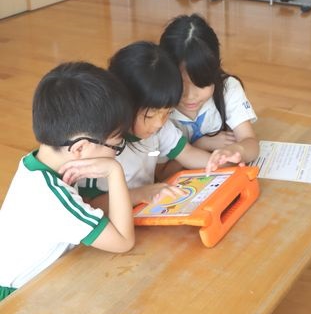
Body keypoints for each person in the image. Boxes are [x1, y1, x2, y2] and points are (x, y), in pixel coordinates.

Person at [0, 62, 136, 301]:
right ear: (80, 148)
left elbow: (90, 208)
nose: (116, 153)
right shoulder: (51, 197)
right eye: (116, 146)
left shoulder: (40, 163)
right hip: (13, 299)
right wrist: (115, 172)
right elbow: (124, 242)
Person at [79, 41, 242, 209]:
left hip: (147, 211)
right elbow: (91, 205)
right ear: (124, 103)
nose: (159, 123)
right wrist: (142, 193)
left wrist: (225, 163)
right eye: (150, 116)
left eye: (168, 113)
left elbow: (188, 154)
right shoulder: (101, 146)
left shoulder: (160, 129)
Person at [157, 13, 259, 179]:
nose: (190, 96)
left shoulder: (228, 89)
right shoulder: (158, 110)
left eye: (200, 83)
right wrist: (201, 145)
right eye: (181, 85)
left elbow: (251, 142)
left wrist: (236, 150)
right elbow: (161, 174)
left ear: (215, 71)